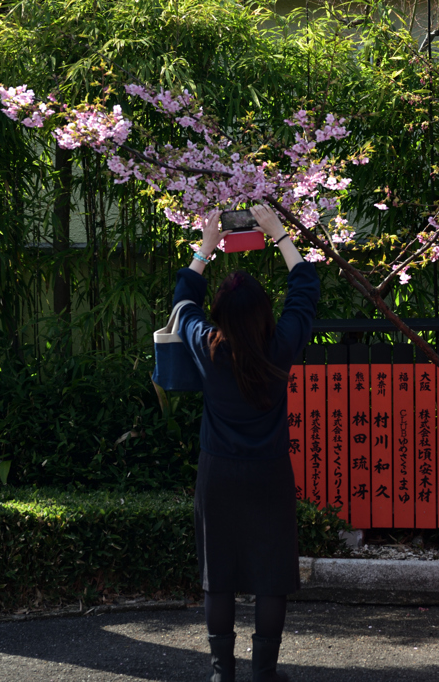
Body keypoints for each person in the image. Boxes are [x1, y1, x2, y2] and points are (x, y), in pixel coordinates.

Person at [172, 204, 320, 682]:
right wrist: (278, 236)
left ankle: (221, 673)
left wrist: (205, 248)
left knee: (221, 574)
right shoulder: (281, 345)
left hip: (220, 472)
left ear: (220, 313)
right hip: (270, 472)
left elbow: (181, 306)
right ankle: (265, 672)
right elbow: (306, 290)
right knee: (270, 575)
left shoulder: (207, 345)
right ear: (263, 313)